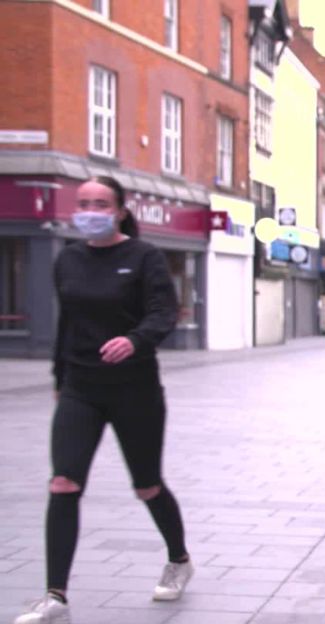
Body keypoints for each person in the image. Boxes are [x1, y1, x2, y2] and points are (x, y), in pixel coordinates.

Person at [15, 177, 193, 624]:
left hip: (134, 389)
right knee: (63, 483)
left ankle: (178, 559)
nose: (90, 210)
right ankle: (55, 595)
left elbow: (163, 313)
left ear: (118, 211)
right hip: (81, 387)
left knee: (147, 485)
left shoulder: (144, 257)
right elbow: (67, 325)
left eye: (101, 204)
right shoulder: (69, 259)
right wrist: (59, 378)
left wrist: (135, 341)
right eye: (84, 203)